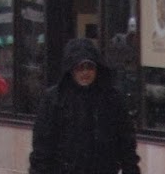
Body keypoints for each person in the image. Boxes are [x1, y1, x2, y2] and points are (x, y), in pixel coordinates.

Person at [29, 38, 139, 174]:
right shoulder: (55, 99)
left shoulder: (111, 98)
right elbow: (42, 145)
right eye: (80, 68)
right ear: (71, 70)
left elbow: (126, 141)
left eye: (90, 67)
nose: (85, 73)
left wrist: (131, 169)